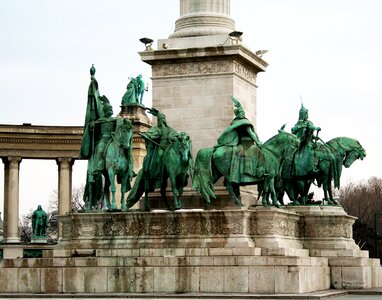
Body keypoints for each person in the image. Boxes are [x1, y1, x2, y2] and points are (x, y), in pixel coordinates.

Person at [214, 96, 264, 183]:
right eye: (241, 112)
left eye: (243, 112)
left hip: (239, 143)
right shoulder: (244, 122)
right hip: (247, 144)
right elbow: (251, 133)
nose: (243, 114)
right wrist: (258, 143)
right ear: (239, 114)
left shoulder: (235, 122)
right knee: (258, 151)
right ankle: (254, 173)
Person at [86, 96, 117, 182]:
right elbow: (92, 125)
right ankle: (97, 168)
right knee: (99, 150)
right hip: (104, 139)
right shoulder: (101, 120)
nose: (110, 111)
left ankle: (128, 168)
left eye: (111, 110)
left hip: (113, 139)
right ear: (105, 111)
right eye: (108, 110)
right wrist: (92, 125)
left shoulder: (115, 120)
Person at [291, 104, 321, 176]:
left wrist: (315, 137)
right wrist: (300, 126)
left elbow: (310, 128)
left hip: (309, 142)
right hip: (301, 143)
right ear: (302, 114)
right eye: (306, 113)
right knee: (310, 149)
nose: (307, 115)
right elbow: (293, 130)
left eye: (307, 113)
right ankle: (312, 168)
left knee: (319, 147)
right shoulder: (299, 123)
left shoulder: (309, 122)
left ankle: (318, 165)